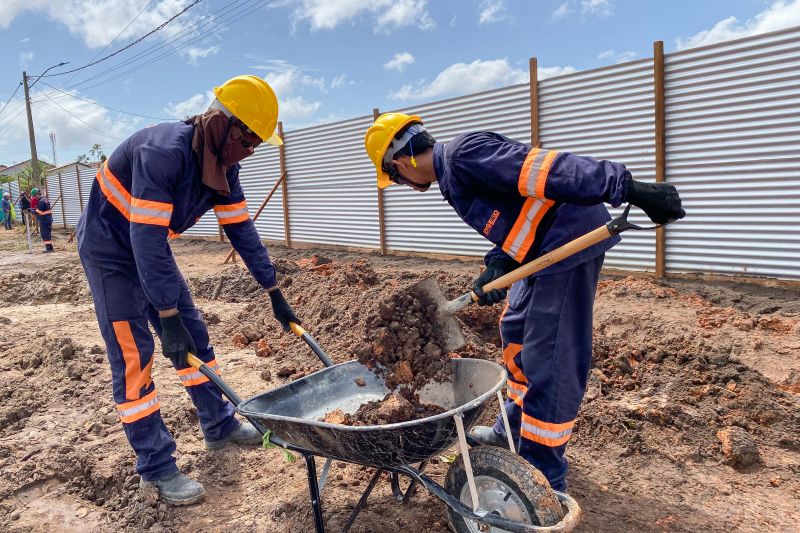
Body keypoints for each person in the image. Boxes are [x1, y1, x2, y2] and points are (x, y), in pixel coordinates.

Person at [364, 114, 685, 493]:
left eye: (396, 179)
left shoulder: (464, 156)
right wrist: (500, 260)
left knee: (550, 358)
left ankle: (543, 474)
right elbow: (523, 210)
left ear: (400, 163)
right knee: (514, 328)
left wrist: (629, 187)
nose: (402, 184)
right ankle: (511, 431)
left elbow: (550, 171)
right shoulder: (452, 177)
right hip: (538, 252)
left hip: (565, 245)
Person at [76, 75, 300, 506]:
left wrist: (273, 290)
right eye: (249, 142)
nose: (250, 154)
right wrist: (165, 315)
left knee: (194, 337)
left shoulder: (223, 169)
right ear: (225, 126)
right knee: (134, 355)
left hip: (149, 246)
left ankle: (218, 423)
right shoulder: (163, 153)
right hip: (110, 251)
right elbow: (142, 239)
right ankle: (157, 468)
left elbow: (242, 232)